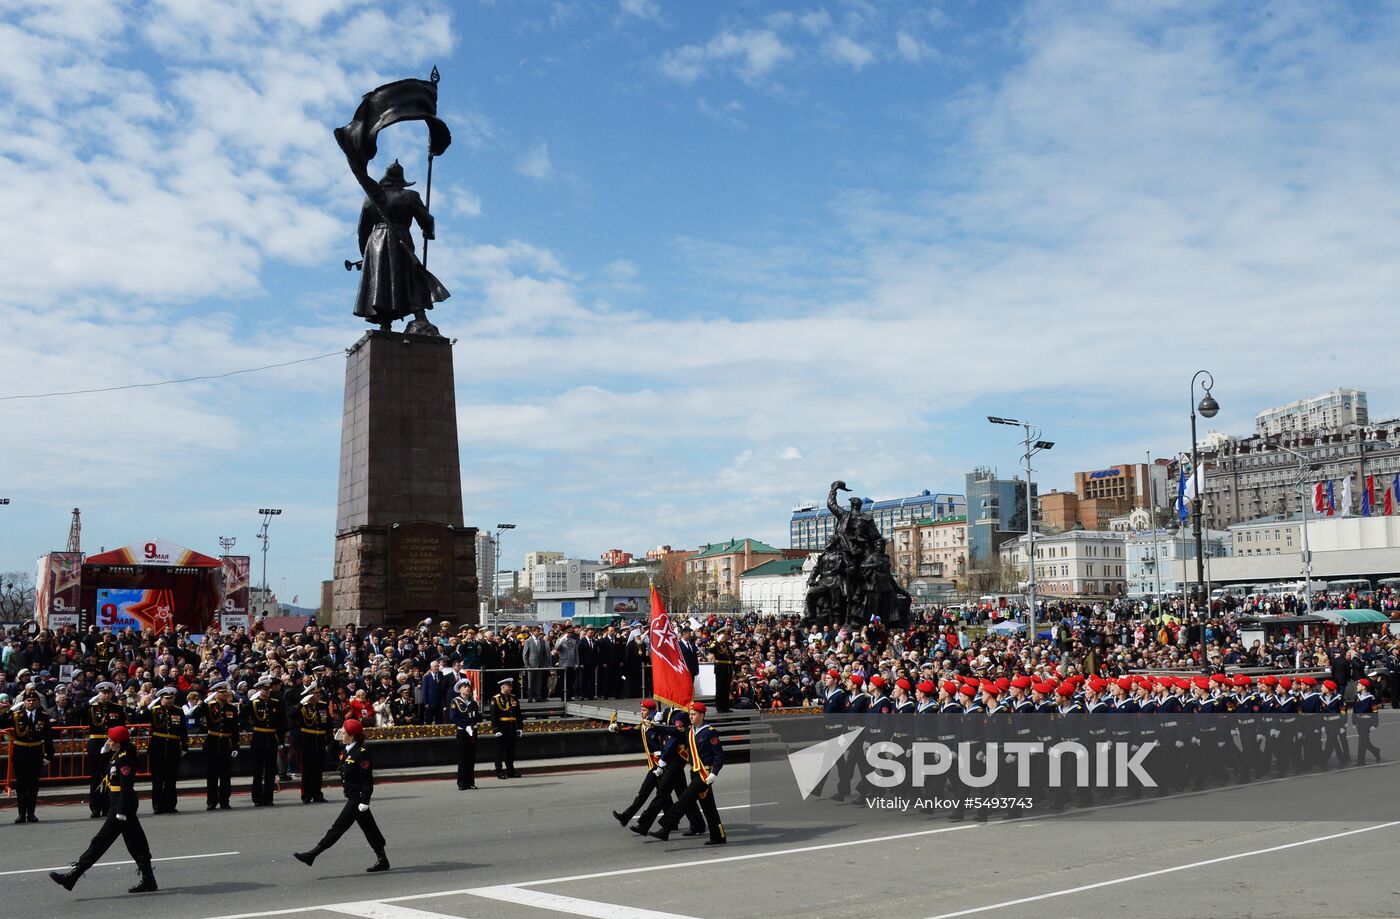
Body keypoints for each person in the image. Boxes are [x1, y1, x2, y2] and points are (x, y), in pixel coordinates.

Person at [49, 725, 158, 894]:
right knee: (136, 843)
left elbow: (126, 787)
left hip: (122, 804)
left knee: (100, 842)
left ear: (118, 742)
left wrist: (121, 810)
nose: (108, 742)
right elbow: (103, 772)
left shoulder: (125, 758)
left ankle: (73, 876)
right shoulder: (118, 754)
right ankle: (149, 879)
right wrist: (104, 751)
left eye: (110, 740)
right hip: (118, 802)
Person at [293, 719, 389, 873]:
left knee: (338, 827)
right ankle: (383, 859)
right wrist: (335, 739)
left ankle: (312, 854)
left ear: (352, 736)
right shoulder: (346, 748)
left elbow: (366, 780)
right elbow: (329, 753)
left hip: (357, 798)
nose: (341, 735)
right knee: (369, 828)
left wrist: (365, 800)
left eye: (343, 733)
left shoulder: (362, 753)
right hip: (352, 795)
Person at [649, 702, 726, 845]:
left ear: (702, 715)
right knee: (708, 806)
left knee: (683, 800)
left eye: (693, 714)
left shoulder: (709, 731)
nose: (690, 716)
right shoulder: (689, 731)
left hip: (705, 775)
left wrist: (714, 773)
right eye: (690, 714)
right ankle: (718, 836)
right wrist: (654, 725)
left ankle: (665, 829)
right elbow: (673, 730)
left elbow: (719, 756)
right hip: (694, 772)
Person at [612, 699, 667, 827]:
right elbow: (635, 730)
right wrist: (618, 729)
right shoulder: (645, 723)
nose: (641, 712)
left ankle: (626, 817)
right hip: (654, 764)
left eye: (644, 710)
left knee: (644, 793)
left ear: (651, 711)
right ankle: (675, 821)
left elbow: (664, 744)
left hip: (659, 765)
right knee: (663, 796)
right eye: (641, 710)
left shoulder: (657, 724)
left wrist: (661, 763)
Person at [9, 688, 55, 823]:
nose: (30, 703)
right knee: (21, 785)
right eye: (28, 700)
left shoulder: (43, 715)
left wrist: (49, 755)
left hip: (35, 753)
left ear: (37, 702)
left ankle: (31, 813)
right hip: (20, 753)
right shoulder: (17, 715)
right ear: (24, 702)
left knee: (33, 785)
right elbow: (2, 720)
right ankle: (21, 814)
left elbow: (48, 737)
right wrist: (12, 709)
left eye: (33, 700)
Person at [84, 681, 125, 818]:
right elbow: (74, 712)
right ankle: (95, 807)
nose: (106, 695)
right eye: (103, 693)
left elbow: (121, 728)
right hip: (96, 745)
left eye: (108, 693)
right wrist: (90, 702)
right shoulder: (91, 707)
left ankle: (108, 807)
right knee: (96, 777)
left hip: (112, 744)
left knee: (111, 776)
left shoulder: (117, 708)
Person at [147, 686, 188, 814]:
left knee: (171, 778)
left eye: (171, 698)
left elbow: (183, 730)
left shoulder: (178, 711)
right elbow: (140, 716)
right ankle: (158, 806)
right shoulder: (154, 710)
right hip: (157, 746)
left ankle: (171, 805)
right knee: (158, 779)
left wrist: (185, 746)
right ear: (161, 699)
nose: (169, 700)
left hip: (173, 746)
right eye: (166, 698)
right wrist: (150, 705)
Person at [246, 675, 285, 805]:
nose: (267, 691)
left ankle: (268, 798)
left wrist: (281, 740)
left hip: (272, 739)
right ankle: (257, 798)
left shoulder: (275, 702)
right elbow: (242, 716)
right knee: (257, 771)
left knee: (270, 770)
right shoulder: (254, 703)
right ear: (259, 690)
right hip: (259, 738)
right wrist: (250, 701)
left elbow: (281, 722)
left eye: (268, 689)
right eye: (264, 689)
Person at [203, 681, 239, 810]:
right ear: (215, 694)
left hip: (225, 743)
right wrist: (206, 701)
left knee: (225, 775)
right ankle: (211, 801)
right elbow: (195, 714)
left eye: (225, 692)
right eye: (221, 692)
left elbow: (235, 729)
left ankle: (224, 800)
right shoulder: (209, 706)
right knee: (211, 774)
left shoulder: (232, 708)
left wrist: (235, 746)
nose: (224, 694)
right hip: (212, 741)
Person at [297, 683, 332, 804]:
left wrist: (330, 739)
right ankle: (306, 795)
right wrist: (301, 703)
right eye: (316, 694)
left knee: (318, 769)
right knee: (307, 770)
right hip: (307, 740)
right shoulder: (303, 706)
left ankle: (317, 794)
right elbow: (291, 716)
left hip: (320, 740)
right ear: (311, 695)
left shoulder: (323, 706)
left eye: (319, 694)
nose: (319, 696)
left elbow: (328, 724)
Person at [448, 677, 481, 790]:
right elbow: (454, 718)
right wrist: (465, 726)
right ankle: (461, 783)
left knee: (471, 758)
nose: (467, 689)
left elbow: (478, 717)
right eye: (465, 687)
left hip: (473, 731)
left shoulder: (473, 703)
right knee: (463, 758)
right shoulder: (455, 702)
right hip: (462, 732)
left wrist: (474, 722)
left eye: (468, 687)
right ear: (460, 689)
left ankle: (470, 782)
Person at [489, 677, 524, 778]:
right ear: (503, 687)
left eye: (511, 686)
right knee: (499, 751)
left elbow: (518, 714)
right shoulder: (496, 698)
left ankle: (510, 771)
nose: (511, 688)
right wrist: (496, 729)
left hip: (512, 727)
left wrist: (520, 727)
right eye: (509, 686)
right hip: (501, 727)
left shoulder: (513, 698)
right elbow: (493, 716)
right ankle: (499, 771)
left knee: (510, 751)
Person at [711, 630, 734, 713]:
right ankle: (719, 707)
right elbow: (711, 649)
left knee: (726, 688)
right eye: (724, 635)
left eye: (726, 635)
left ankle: (725, 706)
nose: (726, 636)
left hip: (728, 668)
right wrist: (717, 641)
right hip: (720, 668)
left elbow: (731, 657)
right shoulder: (715, 644)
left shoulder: (728, 645)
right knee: (720, 688)